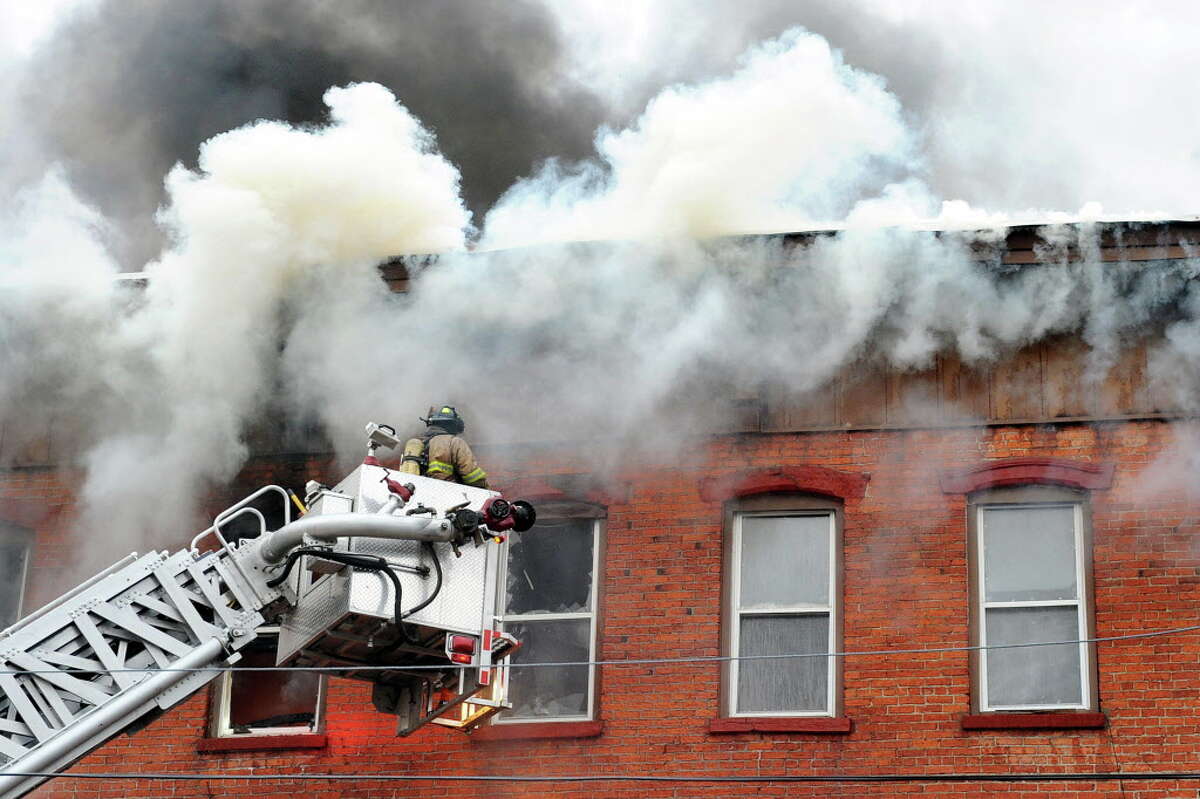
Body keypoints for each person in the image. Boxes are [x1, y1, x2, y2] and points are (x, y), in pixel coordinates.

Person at [399, 405, 489, 488]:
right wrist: (485, 489)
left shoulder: (418, 443)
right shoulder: (455, 442)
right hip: (448, 493)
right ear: (453, 425)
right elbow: (472, 476)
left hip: (420, 493)